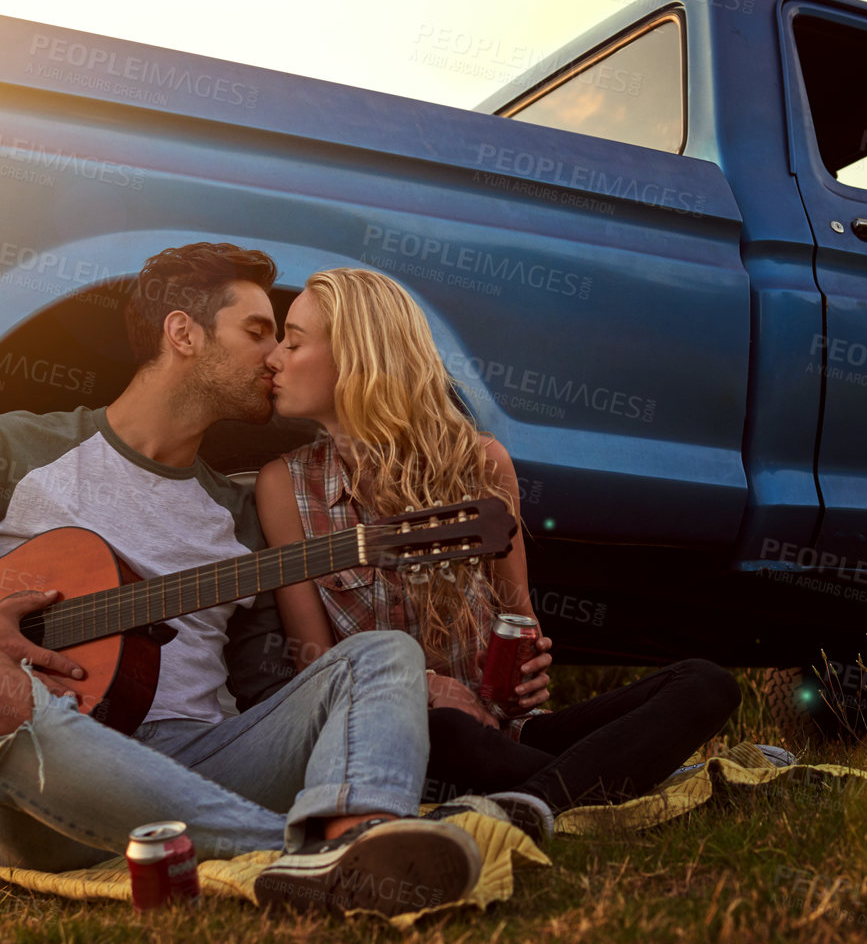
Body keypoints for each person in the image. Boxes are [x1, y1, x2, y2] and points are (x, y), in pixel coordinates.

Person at [0, 243, 491, 918]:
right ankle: (302, 849)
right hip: (42, 782)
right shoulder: (15, 450)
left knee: (382, 657)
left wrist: (413, 688)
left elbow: (267, 687)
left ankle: (362, 834)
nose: (275, 356)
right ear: (183, 333)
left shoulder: (241, 515)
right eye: (256, 332)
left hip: (201, 763)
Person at [255, 268, 743, 844]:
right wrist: (423, 687)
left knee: (707, 683)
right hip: (416, 741)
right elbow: (317, 668)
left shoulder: (481, 463)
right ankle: (594, 789)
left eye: (294, 339)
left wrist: (530, 669)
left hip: (509, 735)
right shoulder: (283, 487)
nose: (274, 358)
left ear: (358, 357)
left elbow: (520, 616)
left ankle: (527, 807)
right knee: (451, 734)